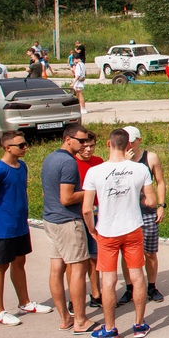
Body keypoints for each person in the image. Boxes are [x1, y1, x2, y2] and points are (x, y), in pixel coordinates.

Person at [82, 128, 157, 338]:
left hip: (107, 230)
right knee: (136, 275)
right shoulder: (139, 169)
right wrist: (137, 200)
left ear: (108, 144)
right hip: (132, 227)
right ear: (128, 146)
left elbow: (87, 209)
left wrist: (91, 229)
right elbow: (151, 202)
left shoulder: (95, 172)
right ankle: (140, 324)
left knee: (109, 279)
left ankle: (110, 328)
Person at [0, 131, 53, 326]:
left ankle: (24, 302)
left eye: (25, 144)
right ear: (8, 147)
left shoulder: (21, 166)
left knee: (19, 263)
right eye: (21, 145)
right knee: (0, 266)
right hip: (1, 227)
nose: (25, 148)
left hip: (19, 225)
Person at [42, 124, 94, 334]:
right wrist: (89, 191)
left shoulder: (50, 158)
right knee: (78, 270)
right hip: (68, 222)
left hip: (50, 220)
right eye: (80, 141)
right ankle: (81, 320)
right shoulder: (68, 163)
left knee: (56, 269)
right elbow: (67, 198)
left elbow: (49, 193)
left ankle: (65, 318)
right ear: (68, 139)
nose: (84, 145)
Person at [117, 126, 167, 305]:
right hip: (126, 212)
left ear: (139, 140)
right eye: (126, 141)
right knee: (127, 253)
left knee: (150, 252)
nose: (128, 144)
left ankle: (151, 286)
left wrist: (161, 206)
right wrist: (125, 163)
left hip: (147, 212)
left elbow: (160, 182)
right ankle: (130, 288)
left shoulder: (150, 157)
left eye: (132, 141)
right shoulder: (119, 158)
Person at [73, 130, 103, 310]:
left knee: (94, 257)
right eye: (85, 146)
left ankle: (96, 293)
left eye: (92, 146)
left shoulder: (99, 162)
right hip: (77, 215)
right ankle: (75, 298)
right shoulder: (71, 164)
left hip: (97, 215)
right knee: (77, 260)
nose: (88, 149)